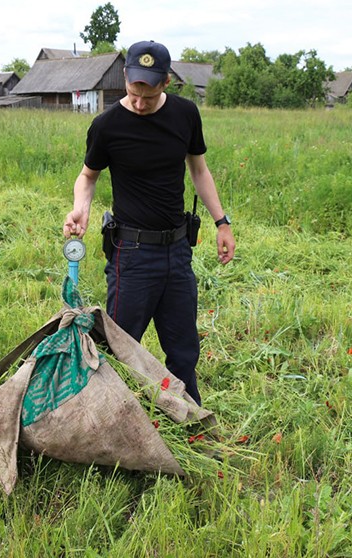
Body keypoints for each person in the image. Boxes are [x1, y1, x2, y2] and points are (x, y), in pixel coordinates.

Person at [63, 40, 235, 406]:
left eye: (149, 96)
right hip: (132, 255)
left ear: (166, 83)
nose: (139, 104)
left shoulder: (186, 115)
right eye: (132, 93)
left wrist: (222, 221)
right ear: (125, 76)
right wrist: (81, 208)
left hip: (177, 252)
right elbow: (87, 176)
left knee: (184, 351)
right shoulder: (107, 125)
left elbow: (199, 170)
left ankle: (189, 420)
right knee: (120, 347)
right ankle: (112, 420)